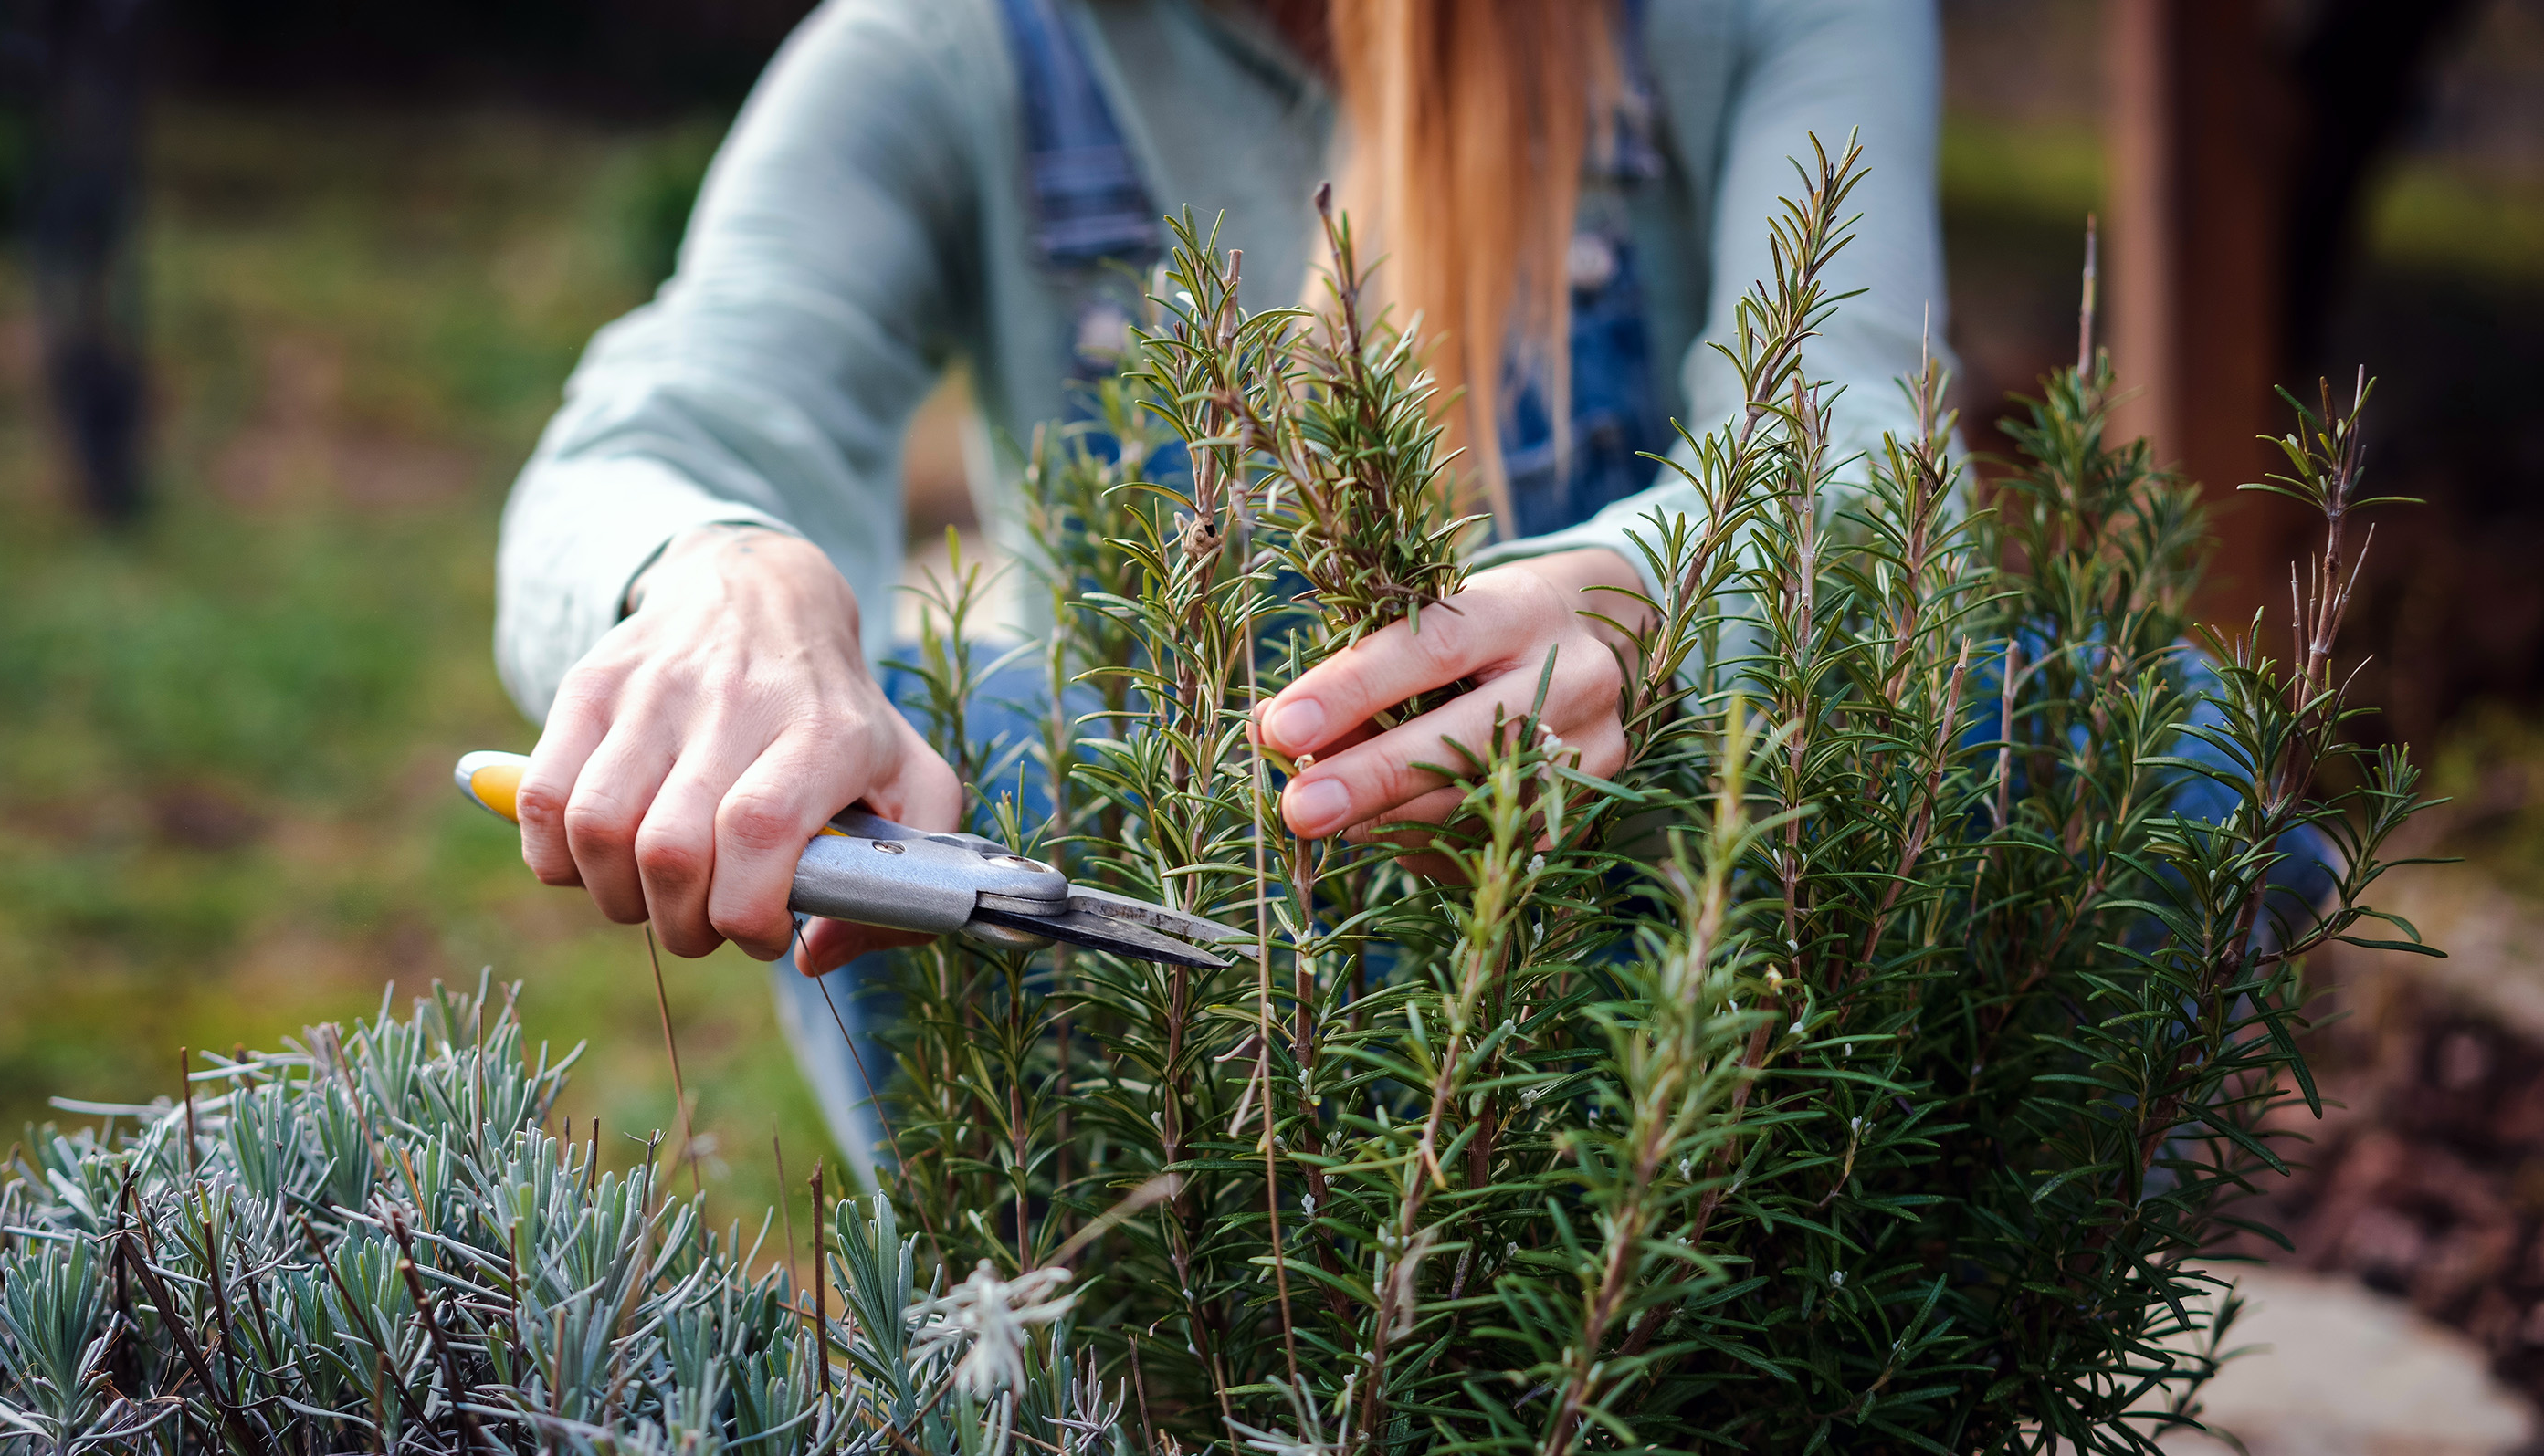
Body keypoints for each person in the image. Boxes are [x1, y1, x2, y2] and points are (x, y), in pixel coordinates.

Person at [493, 0, 1950, 1176]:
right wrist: (720, 578)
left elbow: (1865, 440)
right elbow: (659, 435)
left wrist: (1663, 601)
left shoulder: (1764, 23)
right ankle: (1093, 1432)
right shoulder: (955, 44)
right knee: (948, 729)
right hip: (1176, 1029)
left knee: (2125, 736)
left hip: (1670, 990)